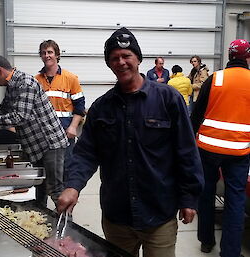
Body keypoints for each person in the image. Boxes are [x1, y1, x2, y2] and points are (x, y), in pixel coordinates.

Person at [57, 27, 204, 257]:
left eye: (126, 56)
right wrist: (73, 186)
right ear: (109, 64)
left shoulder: (168, 99)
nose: (121, 62)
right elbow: (86, 153)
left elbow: (186, 151)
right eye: (114, 58)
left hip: (159, 214)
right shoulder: (101, 108)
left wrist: (189, 198)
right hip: (117, 217)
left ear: (138, 59)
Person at [0, 55, 69, 207]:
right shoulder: (13, 86)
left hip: (50, 144)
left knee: (55, 191)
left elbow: (20, 116)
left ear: (0, 71)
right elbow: (4, 111)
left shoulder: (25, 83)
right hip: (36, 147)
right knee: (39, 189)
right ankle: (40, 224)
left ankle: (67, 228)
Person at [191, 39, 250, 257]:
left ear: (229, 55)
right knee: (235, 200)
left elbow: (196, 114)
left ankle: (206, 241)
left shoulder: (216, 78)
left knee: (206, 193)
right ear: (248, 57)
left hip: (207, 149)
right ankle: (231, 252)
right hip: (238, 152)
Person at [35, 40, 85, 183]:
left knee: (66, 171)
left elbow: (80, 106)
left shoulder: (70, 78)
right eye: (43, 53)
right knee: (43, 173)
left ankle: (64, 205)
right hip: (43, 135)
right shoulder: (36, 80)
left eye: (50, 52)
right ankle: (39, 205)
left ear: (57, 55)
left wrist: (73, 127)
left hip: (65, 133)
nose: (47, 55)